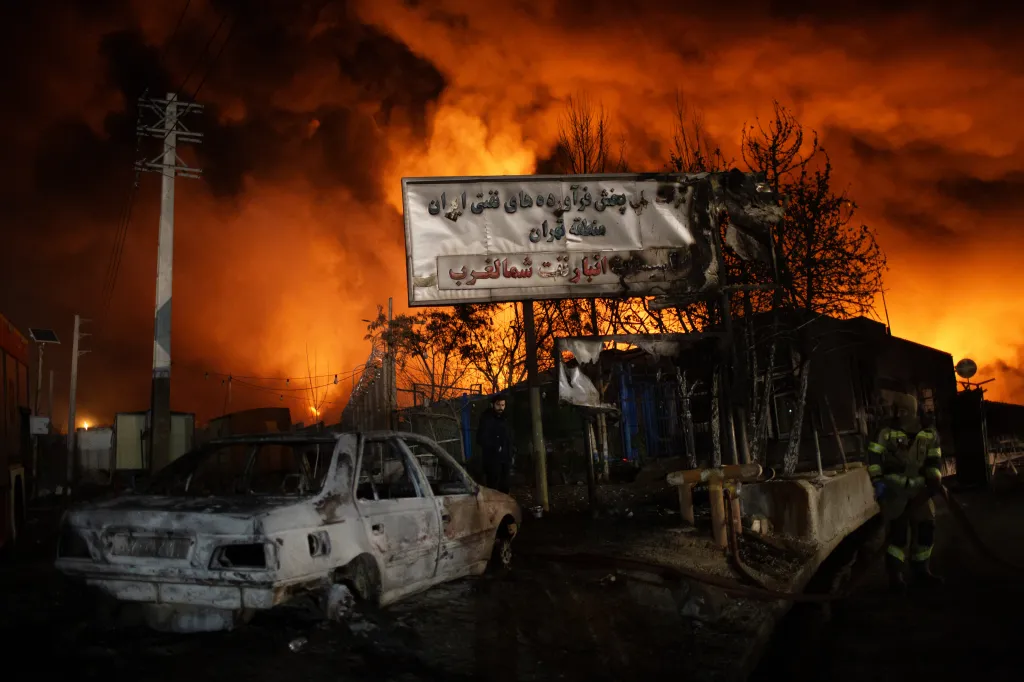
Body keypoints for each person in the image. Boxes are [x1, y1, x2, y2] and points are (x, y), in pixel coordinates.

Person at [866, 387, 945, 593]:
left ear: (913, 411)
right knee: (897, 536)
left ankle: (922, 571)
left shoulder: (929, 432)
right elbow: (873, 458)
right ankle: (895, 576)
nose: (898, 414)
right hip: (894, 490)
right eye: (896, 410)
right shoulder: (885, 432)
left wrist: (934, 475)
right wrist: (878, 482)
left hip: (920, 490)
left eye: (903, 411)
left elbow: (934, 458)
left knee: (926, 529)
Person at [476, 395, 513, 493]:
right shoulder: (486, 418)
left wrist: (511, 451)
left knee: (505, 485)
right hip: (492, 459)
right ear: (492, 405)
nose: (501, 407)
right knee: (493, 485)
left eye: (503, 405)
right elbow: (481, 438)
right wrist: (495, 447)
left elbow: (508, 436)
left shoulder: (506, 418)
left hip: (505, 458)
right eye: (498, 405)